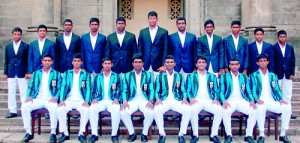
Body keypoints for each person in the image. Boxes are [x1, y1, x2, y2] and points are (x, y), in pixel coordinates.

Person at [250, 53, 292, 143]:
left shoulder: (273, 75)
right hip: (261, 101)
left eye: (265, 61)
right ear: (257, 63)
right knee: (261, 108)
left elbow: (277, 89)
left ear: (268, 62)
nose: (263, 63)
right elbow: (253, 90)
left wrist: (280, 98)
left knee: (287, 106)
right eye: (260, 61)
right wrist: (256, 99)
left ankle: (283, 134)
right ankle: (261, 134)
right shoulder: (253, 75)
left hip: (272, 101)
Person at [21, 54, 61, 143]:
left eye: (49, 60)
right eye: (45, 60)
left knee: (54, 107)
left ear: (52, 62)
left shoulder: (56, 74)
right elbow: (30, 86)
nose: (47, 62)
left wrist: (56, 97)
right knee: (24, 106)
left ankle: (53, 132)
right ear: (42, 61)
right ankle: (28, 132)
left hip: (50, 99)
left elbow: (60, 88)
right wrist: (29, 96)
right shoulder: (36, 73)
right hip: (38, 99)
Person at [154, 55, 191, 143]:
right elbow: (156, 90)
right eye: (167, 62)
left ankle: (181, 134)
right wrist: (157, 99)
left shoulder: (180, 76)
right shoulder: (159, 76)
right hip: (164, 100)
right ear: (164, 64)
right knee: (156, 110)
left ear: (174, 64)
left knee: (188, 109)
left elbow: (183, 89)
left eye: (171, 62)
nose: (169, 64)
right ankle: (162, 134)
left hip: (176, 100)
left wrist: (184, 98)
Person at [186, 55, 222, 143]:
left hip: (209, 100)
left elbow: (216, 89)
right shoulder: (191, 76)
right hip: (196, 100)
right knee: (193, 110)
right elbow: (188, 89)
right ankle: (195, 135)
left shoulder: (212, 76)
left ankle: (213, 135)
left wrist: (216, 99)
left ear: (206, 64)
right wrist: (190, 98)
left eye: (203, 62)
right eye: (199, 62)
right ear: (196, 64)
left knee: (219, 110)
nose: (201, 64)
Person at [220, 58, 256, 143]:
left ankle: (248, 135)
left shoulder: (244, 77)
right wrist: (224, 101)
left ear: (239, 65)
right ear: (229, 66)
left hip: (241, 101)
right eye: (232, 64)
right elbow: (221, 91)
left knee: (254, 110)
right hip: (229, 101)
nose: (234, 66)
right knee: (225, 111)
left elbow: (249, 91)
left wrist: (251, 100)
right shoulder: (224, 77)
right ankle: (229, 135)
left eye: (236, 64)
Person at [56, 53, 91, 143]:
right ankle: (65, 133)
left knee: (86, 110)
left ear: (81, 62)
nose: (76, 63)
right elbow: (63, 86)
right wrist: (62, 100)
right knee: (60, 109)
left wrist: (87, 101)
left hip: (81, 100)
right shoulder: (67, 73)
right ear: (72, 62)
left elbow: (88, 89)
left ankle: (81, 133)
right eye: (75, 61)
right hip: (69, 100)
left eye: (78, 61)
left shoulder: (86, 74)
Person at [120, 54, 154, 142]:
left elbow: (152, 89)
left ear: (143, 63)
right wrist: (124, 100)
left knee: (150, 111)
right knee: (123, 112)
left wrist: (150, 100)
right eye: (136, 62)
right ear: (132, 64)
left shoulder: (149, 75)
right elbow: (124, 90)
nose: (138, 64)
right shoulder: (127, 75)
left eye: (139, 62)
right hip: (132, 99)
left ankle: (144, 133)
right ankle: (132, 133)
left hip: (144, 99)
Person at [88, 58, 122, 143]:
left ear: (111, 65)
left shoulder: (117, 76)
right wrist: (94, 98)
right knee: (92, 108)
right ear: (102, 65)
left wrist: (118, 99)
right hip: (100, 100)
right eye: (105, 63)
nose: (107, 65)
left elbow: (121, 90)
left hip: (112, 100)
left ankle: (114, 134)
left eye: (109, 63)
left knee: (116, 109)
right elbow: (92, 90)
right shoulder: (97, 77)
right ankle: (94, 134)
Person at [4, 27, 29, 118]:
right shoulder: (8, 46)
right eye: (15, 34)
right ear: (12, 35)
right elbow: (6, 60)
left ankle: (24, 109)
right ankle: (12, 110)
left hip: (22, 71)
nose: (16, 36)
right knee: (11, 91)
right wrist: (5, 72)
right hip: (11, 71)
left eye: (18, 34)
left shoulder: (25, 46)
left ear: (21, 35)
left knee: (23, 91)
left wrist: (27, 71)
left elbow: (27, 60)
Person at [272, 30, 297, 119]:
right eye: (281, 37)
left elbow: (292, 61)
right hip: (277, 73)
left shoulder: (290, 48)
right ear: (278, 38)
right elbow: (272, 61)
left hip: (287, 74)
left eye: (284, 37)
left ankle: (288, 112)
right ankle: (277, 111)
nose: (283, 38)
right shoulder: (274, 48)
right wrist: (272, 74)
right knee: (276, 92)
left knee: (287, 93)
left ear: (286, 37)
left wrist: (292, 73)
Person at [138, 11, 168, 78]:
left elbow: (165, 49)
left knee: (158, 85)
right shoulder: (143, 32)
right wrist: (140, 63)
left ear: (157, 19)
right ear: (148, 19)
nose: (152, 20)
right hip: (145, 64)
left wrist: (164, 65)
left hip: (158, 65)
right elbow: (140, 49)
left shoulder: (163, 32)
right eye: (150, 18)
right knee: (145, 85)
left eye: (154, 18)